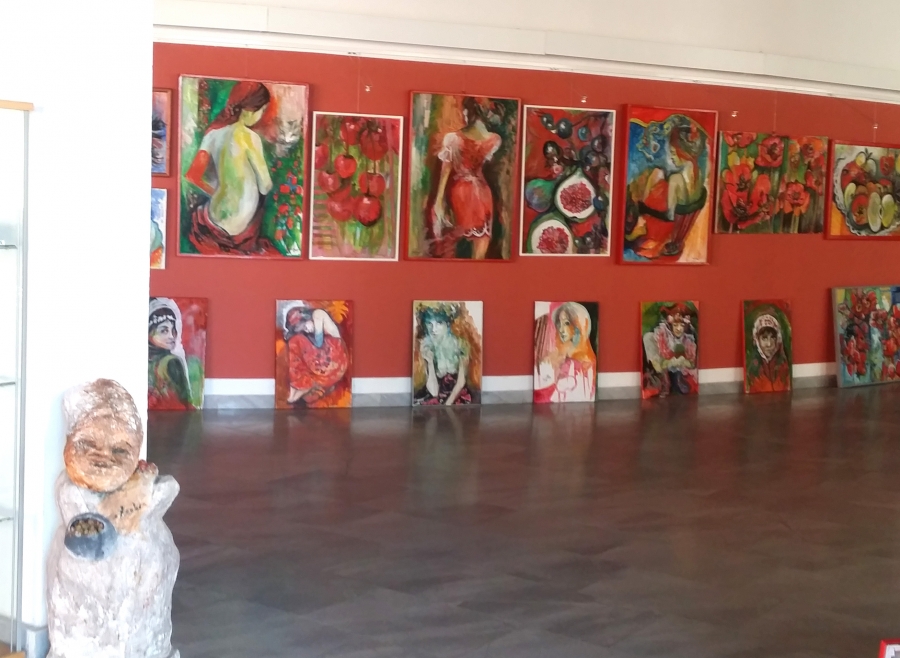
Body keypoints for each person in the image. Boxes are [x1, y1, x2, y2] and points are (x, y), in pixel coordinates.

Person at [185, 81, 274, 254]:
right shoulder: (251, 138)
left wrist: (218, 191)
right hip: (240, 224)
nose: (262, 115)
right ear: (249, 110)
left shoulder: (212, 134)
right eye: (262, 110)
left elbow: (192, 176)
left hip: (213, 218)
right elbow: (265, 186)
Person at [625, 114, 709, 260]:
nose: (671, 156)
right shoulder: (697, 172)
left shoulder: (677, 179)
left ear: (683, 153)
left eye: (673, 152)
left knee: (655, 178)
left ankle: (641, 228)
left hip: (666, 226)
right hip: (679, 220)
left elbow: (669, 217)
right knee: (657, 172)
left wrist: (644, 208)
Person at [431, 97, 503, 259]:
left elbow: (446, 171)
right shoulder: (494, 140)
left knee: (457, 243)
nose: (463, 114)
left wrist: (439, 201)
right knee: (480, 245)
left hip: (461, 192)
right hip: (483, 193)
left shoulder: (453, 139)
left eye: (464, 110)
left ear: (469, 112)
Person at [283, 305, 350, 406]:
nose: (305, 330)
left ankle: (296, 391)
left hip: (334, 355)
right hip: (332, 365)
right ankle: (294, 392)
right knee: (296, 346)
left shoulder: (318, 314)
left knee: (295, 342)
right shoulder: (312, 323)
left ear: (305, 318)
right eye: (302, 329)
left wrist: (311, 331)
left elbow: (319, 343)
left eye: (304, 326)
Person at [534, 303, 596, 403]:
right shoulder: (552, 358)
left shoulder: (587, 364)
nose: (561, 329)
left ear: (578, 327)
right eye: (559, 324)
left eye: (566, 323)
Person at [414, 305, 475, 405]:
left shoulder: (460, 345)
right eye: (429, 323)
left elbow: (461, 382)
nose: (433, 329)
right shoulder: (427, 346)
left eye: (439, 323)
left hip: (456, 394)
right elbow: (434, 392)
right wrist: (430, 363)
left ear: (447, 324)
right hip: (436, 394)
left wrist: (447, 404)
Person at [642, 304, 698, 397]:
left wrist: (683, 361)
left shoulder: (688, 338)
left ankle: (678, 379)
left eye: (681, 325)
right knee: (649, 338)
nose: (678, 328)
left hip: (680, 368)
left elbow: (691, 361)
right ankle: (664, 380)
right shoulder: (661, 334)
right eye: (675, 325)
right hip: (662, 364)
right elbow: (660, 359)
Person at [148, 298, 193, 410]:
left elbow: (182, 403)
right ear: (149, 332)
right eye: (164, 331)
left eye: (173, 330)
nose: (171, 336)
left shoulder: (171, 362)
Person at [747, 313, 791, 392]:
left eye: (772, 338)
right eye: (764, 338)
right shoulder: (753, 370)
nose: (769, 344)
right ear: (757, 340)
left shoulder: (784, 366)